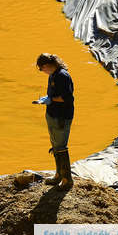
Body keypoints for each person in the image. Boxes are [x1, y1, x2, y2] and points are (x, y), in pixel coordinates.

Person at [32, 53, 74, 190]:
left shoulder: (62, 76)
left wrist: (51, 100)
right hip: (52, 113)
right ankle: (58, 175)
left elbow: (67, 98)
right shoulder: (53, 75)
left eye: (41, 68)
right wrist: (46, 99)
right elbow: (54, 94)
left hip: (61, 116)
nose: (41, 71)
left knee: (61, 147)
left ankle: (67, 180)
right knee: (55, 145)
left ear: (48, 65)